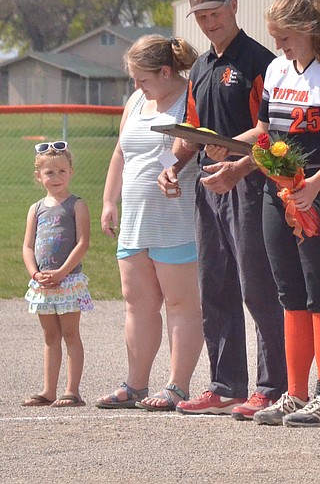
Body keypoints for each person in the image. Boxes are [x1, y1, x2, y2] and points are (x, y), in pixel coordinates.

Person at [206, 0, 320, 428]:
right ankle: (295, 392)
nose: (280, 47)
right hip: (280, 192)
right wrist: (230, 146)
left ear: (308, 30)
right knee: (289, 293)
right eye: (275, 38)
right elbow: (263, 130)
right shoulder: (276, 70)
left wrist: (313, 187)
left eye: (286, 37)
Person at [158, 0, 287, 419]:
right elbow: (193, 132)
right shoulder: (199, 68)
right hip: (208, 184)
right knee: (214, 286)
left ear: (234, 6)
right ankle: (225, 384)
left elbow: (271, 133)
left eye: (214, 12)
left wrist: (235, 158)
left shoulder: (261, 63)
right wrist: (174, 166)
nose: (208, 21)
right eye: (201, 16)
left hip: (251, 184)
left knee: (258, 288)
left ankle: (272, 388)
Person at [97, 34, 204, 411]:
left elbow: (185, 152)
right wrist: (110, 200)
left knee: (180, 304)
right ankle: (135, 384)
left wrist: (172, 171)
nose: (137, 86)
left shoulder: (191, 98)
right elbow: (120, 153)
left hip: (176, 219)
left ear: (165, 71)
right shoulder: (137, 100)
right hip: (135, 220)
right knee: (137, 304)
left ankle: (177, 386)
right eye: (134, 80)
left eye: (143, 79)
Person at [22, 141, 93, 408]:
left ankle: (72, 391)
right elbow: (28, 246)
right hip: (43, 284)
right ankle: (48, 390)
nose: (56, 178)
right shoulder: (36, 209)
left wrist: (63, 272)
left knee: (70, 334)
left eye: (62, 171)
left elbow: (83, 243)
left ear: (71, 172)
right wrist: (35, 273)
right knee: (50, 337)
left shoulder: (77, 205)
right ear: (39, 176)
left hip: (69, 281)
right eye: (49, 173)